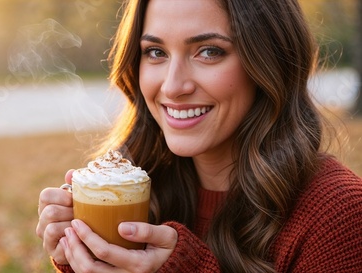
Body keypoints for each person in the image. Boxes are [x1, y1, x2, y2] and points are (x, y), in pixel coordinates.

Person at [36, 0, 362, 272]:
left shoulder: (339, 216)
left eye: (208, 51)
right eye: (155, 52)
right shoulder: (137, 196)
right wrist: (86, 259)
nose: (174, 87)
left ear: (269, 62)